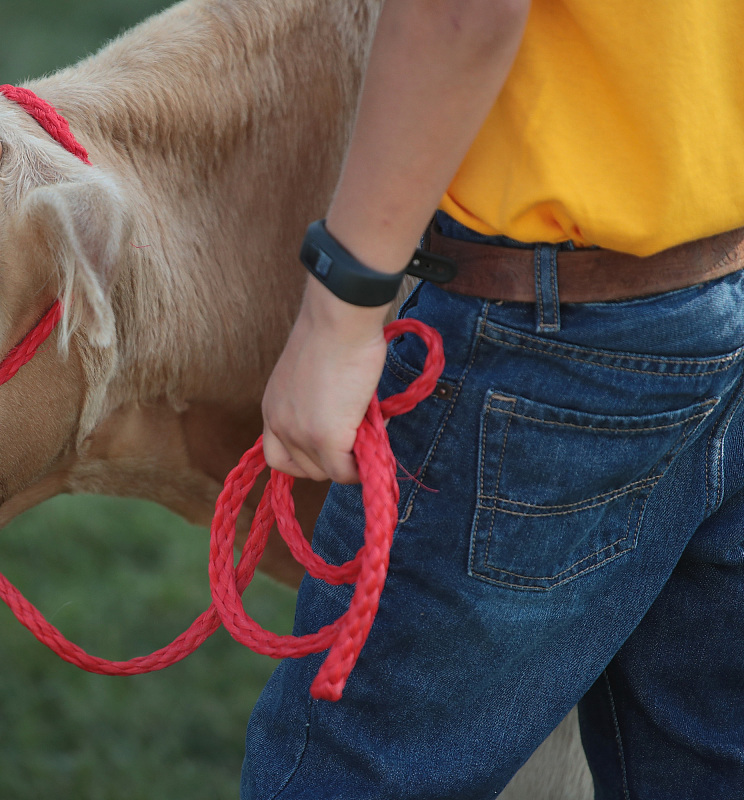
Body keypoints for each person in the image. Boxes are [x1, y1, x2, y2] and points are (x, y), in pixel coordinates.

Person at [245, 0, 744, 797]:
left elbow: (462, 11)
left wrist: (338, 316)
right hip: (719, 265)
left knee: (352, 773)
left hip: (549, 332)